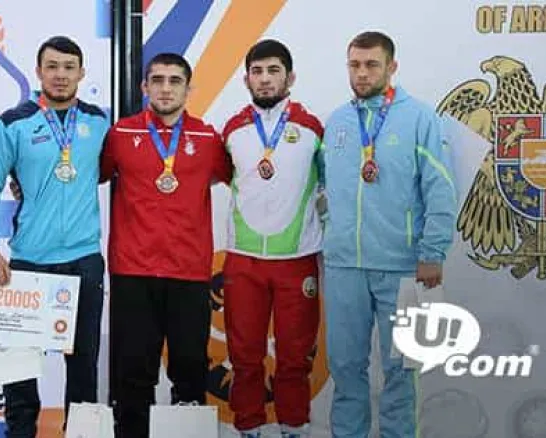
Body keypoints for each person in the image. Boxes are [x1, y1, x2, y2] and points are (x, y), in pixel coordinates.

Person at [0, 36, 109, 438]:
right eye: (52, 66)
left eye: (69, 67)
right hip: (29, 261)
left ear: (82, 73)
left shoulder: (99, 122)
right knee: (18, 369)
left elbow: (109, 171)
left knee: (83, 366)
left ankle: (80, 433)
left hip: (84, 260)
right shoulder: (13, 122)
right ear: (38, 72)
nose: (60, 75)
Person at [321, 31, 457, 438]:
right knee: (345, 368)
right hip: (345, 266)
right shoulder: (337, 121)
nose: (362, 73)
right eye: (354, 65)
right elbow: (323, 188)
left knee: (401, 371)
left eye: (371, 65)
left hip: (403, 267)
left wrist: (433, 252)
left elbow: (441, 187)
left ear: (391, 67)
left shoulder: (420, 118)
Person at [100, 52, 232, 438]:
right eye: (157, 80)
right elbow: (84, 178)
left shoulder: (207, 138)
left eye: (175, 81)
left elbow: (245, 178)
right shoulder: (121, 135)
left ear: (189, 89)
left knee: (190, 372)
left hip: (188, 272)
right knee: (132, 374)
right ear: (144, 87)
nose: (165, 88)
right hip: (133, 272)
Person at [220, 39, 324, 438]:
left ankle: (294, 427)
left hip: (296, 258)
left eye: (273, 71)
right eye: (257, 72)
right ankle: (249, 427)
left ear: (290, 77)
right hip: (243, 259)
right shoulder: (233, 130)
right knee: (244, 356)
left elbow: (329, 182)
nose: (265, 79)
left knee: (295, 357)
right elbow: (224, 177)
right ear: (246, 79)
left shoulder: (312, 128)